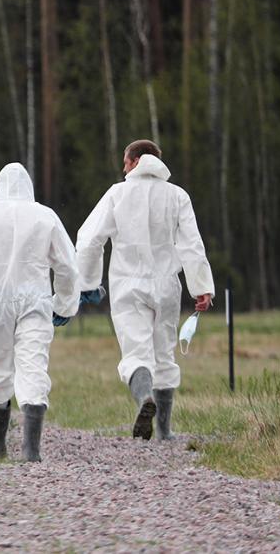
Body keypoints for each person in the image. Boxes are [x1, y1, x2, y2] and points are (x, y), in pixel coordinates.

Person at [76, 139, 215, 441]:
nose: (123, 168)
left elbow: (88, 241)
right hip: (166, 286)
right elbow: (192, 244)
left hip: (127, 285)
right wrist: (202, 287)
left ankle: (143, 399)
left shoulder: (117, 194)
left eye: (125, 162)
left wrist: (87, 283)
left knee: (136, 354)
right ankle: (165, 431)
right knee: (164, 354)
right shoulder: (178, 196)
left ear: (136, 160)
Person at [0, 163, 79, 463]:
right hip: (34, 301)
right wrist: (64, 304)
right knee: (33, 367)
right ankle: (30, 449)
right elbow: (67, 265)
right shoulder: (45, 215)